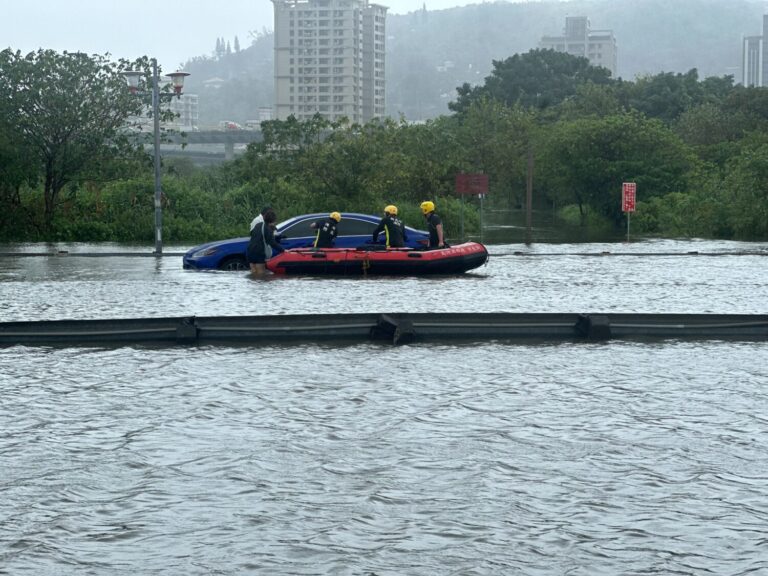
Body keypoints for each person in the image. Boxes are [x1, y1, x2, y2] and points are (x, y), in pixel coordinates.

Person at [247, 208, 282, 275]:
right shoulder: (268, 228)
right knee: (261, 275)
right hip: (259, 253)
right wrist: (283, 250)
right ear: (273, 221)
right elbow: (272, 243)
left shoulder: (258, 225)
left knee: (253, 273)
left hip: (250, 251)